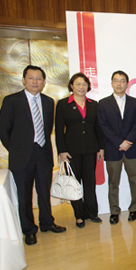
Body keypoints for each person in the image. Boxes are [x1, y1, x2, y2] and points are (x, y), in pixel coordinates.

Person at [0, 65, 66, 246]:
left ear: (44, 82)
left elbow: (47, 128)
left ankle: (47, 222)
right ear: (23, 80)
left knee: (44, 192)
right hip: (22, 157)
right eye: (31, 78)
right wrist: (16, 149)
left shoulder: (47, 101)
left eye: (39, 79)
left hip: (43, 154)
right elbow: (3, 130)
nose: (35, 81)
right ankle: (29, 230)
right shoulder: (11, 101)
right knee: (25, 195)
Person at [55, 72, 104, 229]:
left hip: (90, 149)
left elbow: (98, 128)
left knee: (90, 182)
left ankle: (92, 213)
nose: (81, 87)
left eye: (84, 84)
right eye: (77, 84)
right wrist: (61, 150)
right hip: (71, 151)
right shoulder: (63, 104)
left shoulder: (93, 104)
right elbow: (58, 130)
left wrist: (101, 147)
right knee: (74, 184)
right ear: (71, 86)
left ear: (88, 86)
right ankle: (79, 215)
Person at [98, 70, 136, 224]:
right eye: (116, 81)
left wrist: (128, 141)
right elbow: (103, 126)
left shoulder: (135, 102)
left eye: (122, 81)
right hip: (113, 149)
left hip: (131, 148)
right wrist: (119, 142)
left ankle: (134, 209)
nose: (119, 83)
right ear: (111, 83)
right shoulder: (103, 103)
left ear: (127, 84)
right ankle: (114, 211)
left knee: (134, 180)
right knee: (113, 182)